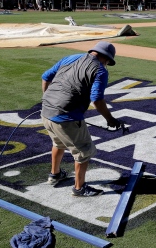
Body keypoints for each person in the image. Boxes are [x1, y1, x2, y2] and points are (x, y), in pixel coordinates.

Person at [41, 41, 121, 197]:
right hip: (66, 117)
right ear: (106, 58)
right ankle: (79, 188)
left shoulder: (70, 58)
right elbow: (97, 99)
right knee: (83, 152)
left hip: (46, 112)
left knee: (58, 143)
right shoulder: (100, 70)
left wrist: (47, 99)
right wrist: (110, 119)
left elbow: (45, 77)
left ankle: (55, 174)